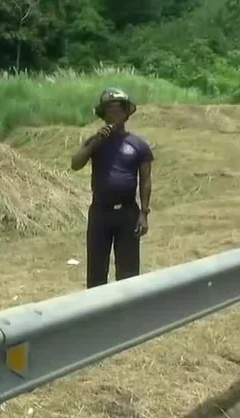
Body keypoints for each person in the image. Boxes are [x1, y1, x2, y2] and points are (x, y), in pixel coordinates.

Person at [70, 88, 154, 288]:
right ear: (103, 115)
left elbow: (145, 181)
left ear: (126, 114)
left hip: (127, 213)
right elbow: (75, 163)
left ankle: (127, 314)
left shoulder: (138, 145)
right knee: (96, 271)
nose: (113, 114)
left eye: (118, 110)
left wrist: (144, 213)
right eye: (109, 110)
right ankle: (97, 313)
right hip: (100, 213)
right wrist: (94, 141)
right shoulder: (95, 142)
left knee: (128, 271)